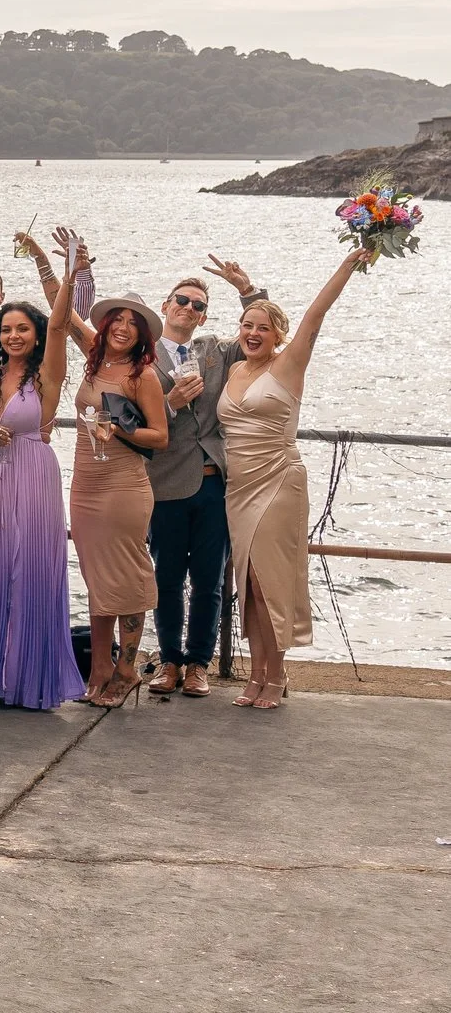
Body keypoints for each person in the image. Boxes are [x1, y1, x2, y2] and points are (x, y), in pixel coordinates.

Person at [217, 248, 363, 709]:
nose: (253, 333)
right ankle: (256, 672)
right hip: (238, 488)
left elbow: (315, 316)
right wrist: (247, 292)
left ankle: (275, 676)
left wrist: (346, 266)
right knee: (249, 582)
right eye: (247, 326)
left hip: (279, 480)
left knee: (271, 580)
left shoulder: (288, 365)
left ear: (279, 336)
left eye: (263, 328)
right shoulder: (236, 367)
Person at [0, 298, 85, 710]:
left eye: (23, 329)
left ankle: (29, 682)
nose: (14, 336)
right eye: (7, 329)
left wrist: (63, 271)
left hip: (31, 473)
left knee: (29, 571)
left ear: (37, 334)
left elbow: (62, 324)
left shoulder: (47, 373)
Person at [144, 265, 269, 696]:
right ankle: (169, 661)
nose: (189, 308)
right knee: (166, 578)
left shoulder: (215, 350)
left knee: (210, 579)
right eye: (182, 300)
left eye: (198, 305)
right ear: (165, 306)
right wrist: (170, 402)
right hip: (165, 482)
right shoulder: (143, 357)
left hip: (215, 480)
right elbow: (130, 418)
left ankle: (199, 663)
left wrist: (247, 290)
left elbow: (262, 336)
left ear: (202, 316)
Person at [62, 246, 170, 707]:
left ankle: (127, 670)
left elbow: (160, 437)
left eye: (133, 322)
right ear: (105, 325)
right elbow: (62, 313)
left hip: (123, 485)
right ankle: (100, 666)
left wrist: (120, 429)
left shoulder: (142, 375)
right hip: (86, 482)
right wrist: (64, 267)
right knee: (96, 577)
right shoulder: (92, 356)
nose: (123, 326)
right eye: (117, 319)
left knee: (125, 576)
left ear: (142, 334)